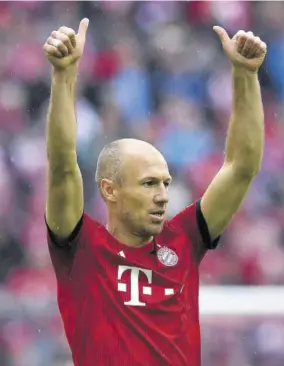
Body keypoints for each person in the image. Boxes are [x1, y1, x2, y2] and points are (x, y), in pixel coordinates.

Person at [43, 18, 266, 366]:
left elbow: (240, 168)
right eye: (149, 183)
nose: (163, 195)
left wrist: (245, 75)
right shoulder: (80, 248)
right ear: (109, 190)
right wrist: (64, 75)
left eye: (165, 183)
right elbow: (61, 167)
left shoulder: (184, 240)